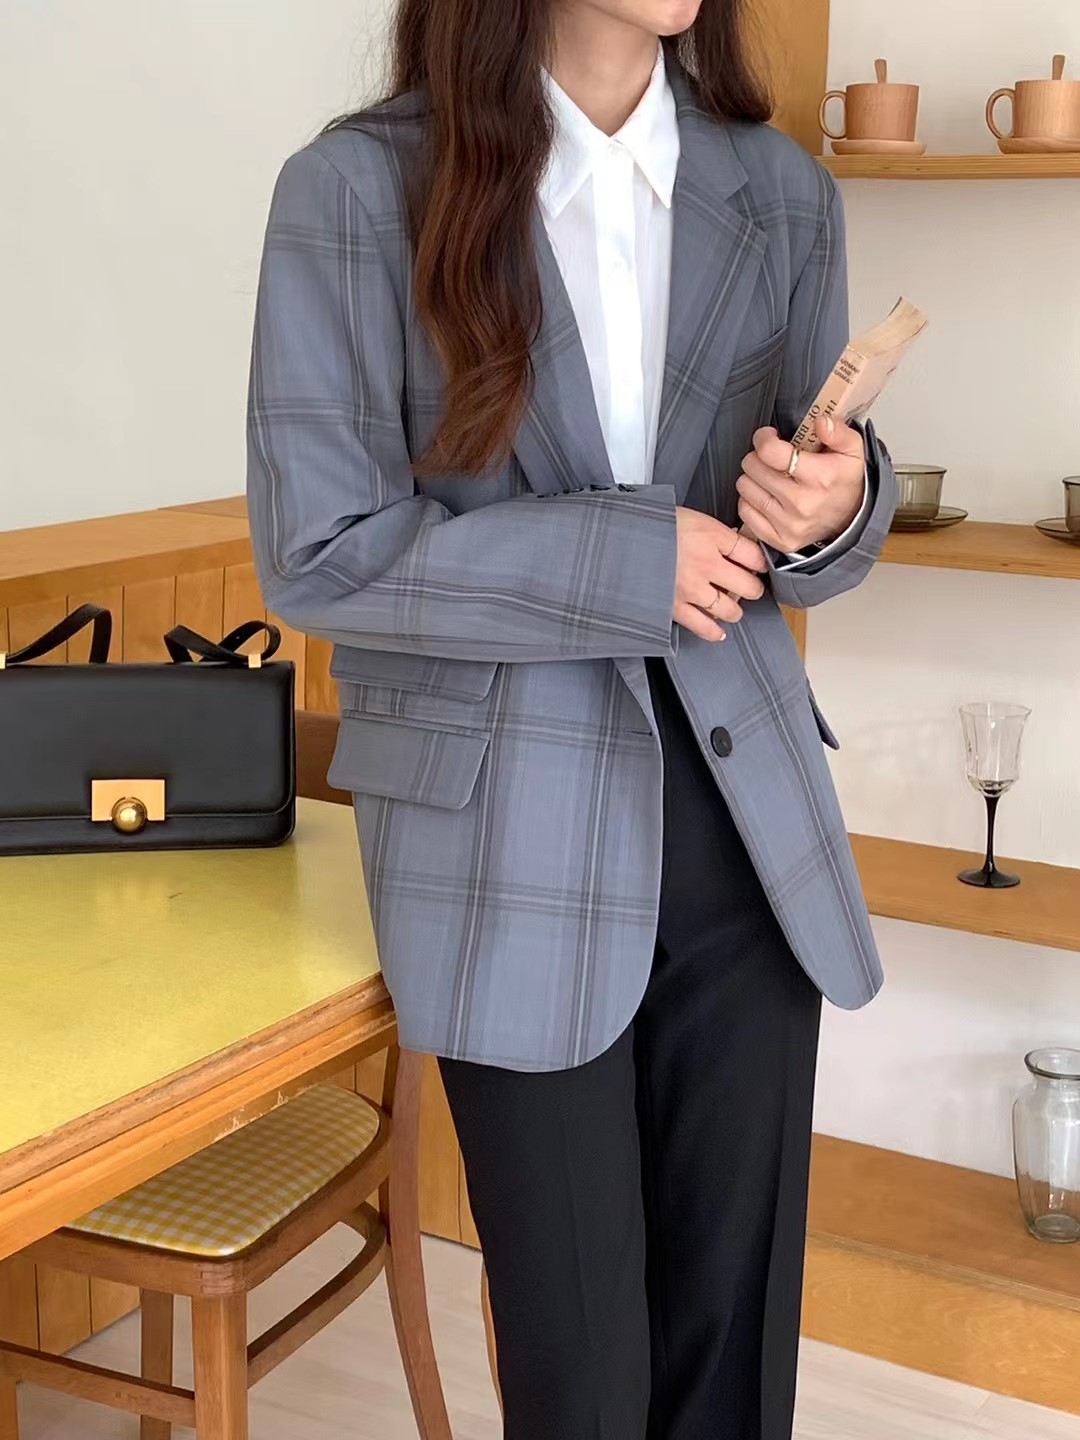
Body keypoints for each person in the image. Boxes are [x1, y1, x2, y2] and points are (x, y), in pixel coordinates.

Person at [247, 1, 897, 1435]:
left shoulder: (779, 191)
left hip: (745, 824)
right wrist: (615, 563)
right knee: (583, 1374)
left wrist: (839, 505)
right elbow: (318, 553)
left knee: (734, 1348)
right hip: (502, 832)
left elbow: (811, 513)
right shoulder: (357, 189)